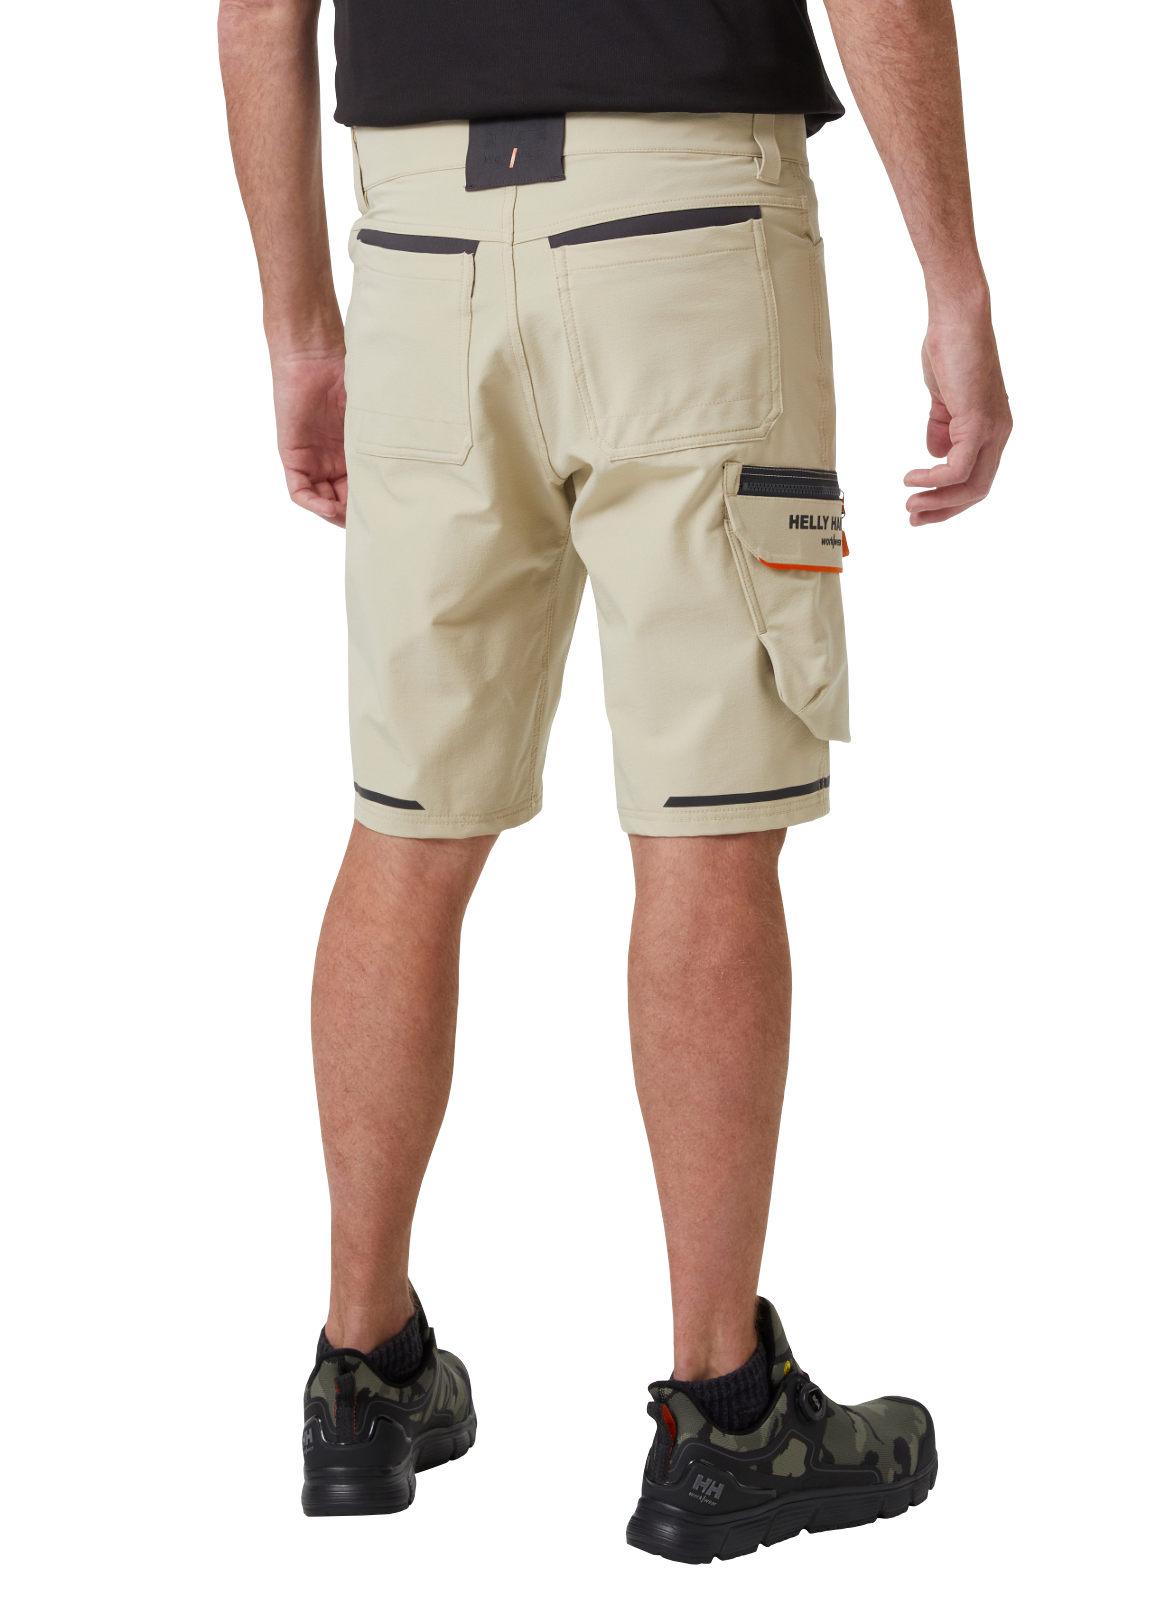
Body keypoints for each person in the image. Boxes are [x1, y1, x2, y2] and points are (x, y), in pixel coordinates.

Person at [218, 0, 1011, 1552]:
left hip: (420, 237)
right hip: (689, 224)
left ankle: (359, 1371)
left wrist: (301, 326)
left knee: (408, 828)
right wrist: (957, 283)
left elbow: (260, 10)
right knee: (707, 827)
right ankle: (727, 1419)